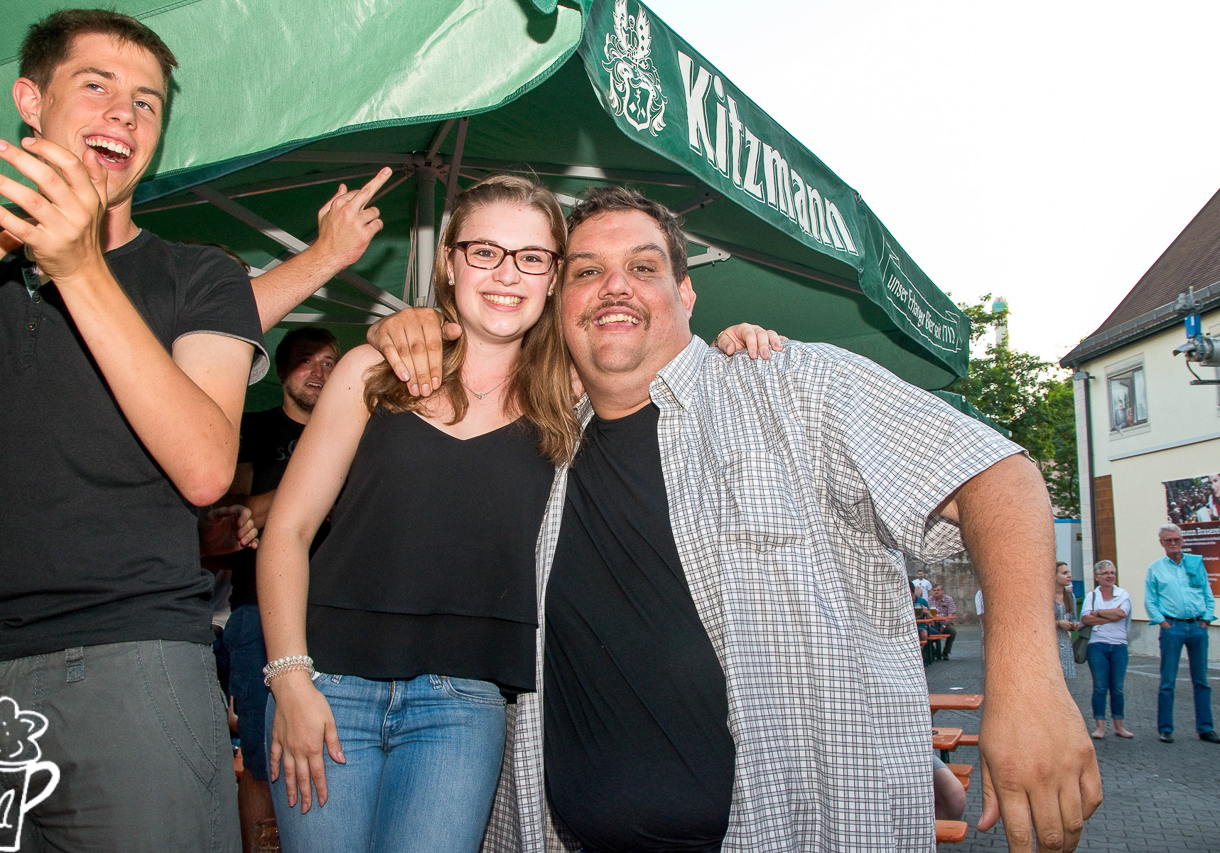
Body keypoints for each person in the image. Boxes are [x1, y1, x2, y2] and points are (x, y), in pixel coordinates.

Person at [370, 186, 1101, 852]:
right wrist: (412, 329)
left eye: (643, 266)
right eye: (586, 271)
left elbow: (995, 475)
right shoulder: (533, 446)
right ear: (559, 304)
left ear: (686, 293)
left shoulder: (795, 385)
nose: (614, 285)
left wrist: (1027, 678)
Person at [256, 176, 778, 853]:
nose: (507, 274)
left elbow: (659, 359)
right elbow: (287, 531)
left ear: (555, 277)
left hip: (461, 705)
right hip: (327, 687)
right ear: (449, 261)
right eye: (485, 252)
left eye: (531, 257)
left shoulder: (568, 394)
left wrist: (736, 342)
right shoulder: (369, 371)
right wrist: (290, 679)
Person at [0, 10, 269, 851]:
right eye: (97, 86)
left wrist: (79, 266)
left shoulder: (200, 274)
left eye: (148, 103)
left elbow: (205, 468)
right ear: (30, 102)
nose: (125, 113)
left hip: (134, 662)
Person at [221, 326, 340, 849]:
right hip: (257, 613)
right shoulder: (251, 429)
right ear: (282, 373)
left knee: (334, 754)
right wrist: (316, 490)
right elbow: (229, 523)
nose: (320, 373)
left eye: (331, 363)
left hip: (337, 611)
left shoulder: (353, 432)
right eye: (306, 362)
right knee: (262, 758)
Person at [1145, 523, 1217, 744]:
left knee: (1201, 681)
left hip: (1197, 627)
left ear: (1182, 540)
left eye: (1177, 539)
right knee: (1168, 680)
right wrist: (1164, 623)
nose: (1174, 543)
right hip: (1173, 628)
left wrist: (1206, 620)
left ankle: (1205, 728)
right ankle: (1165, 728)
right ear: (1162, 543)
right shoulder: (1155, 569)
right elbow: (1150, 600)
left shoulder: (1195, 563)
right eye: (1169, 541)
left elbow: (1207, 593)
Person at [1080, 560, 1133, 739]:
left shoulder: (1123, 594)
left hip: (1119, 646)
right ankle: (1100, 727)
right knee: (1100, 687)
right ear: (1097, 577)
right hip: (1097, 646)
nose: (1110, 576)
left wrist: (1099, 613)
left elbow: (1122, 614)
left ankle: (1119, 726)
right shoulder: (1091, 596)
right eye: (1106, 573)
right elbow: (1086, 620)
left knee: (1117, 688)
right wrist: (1110, 615)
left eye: (1112, 573)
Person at [1055, 562, 1079, 679]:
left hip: (1065, 642)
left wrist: (1075, 624)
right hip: (1051, 645)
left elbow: (1074, 617)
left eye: (1069, 572)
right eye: (1064, 573)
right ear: (1054, 576)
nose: (1069, 575)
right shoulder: (1046, 597)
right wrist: (1059, 623)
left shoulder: (1070, 596)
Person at [930, 582, 958, 660]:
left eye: (938, 590)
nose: (936, 592)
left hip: (945, 623)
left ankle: (946, 652)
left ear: (942, 591)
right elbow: (928, 614)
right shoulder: (930, 600)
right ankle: (934, 652)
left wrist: (944, 626)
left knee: (952, 631)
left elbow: (950, 615)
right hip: (933, 623)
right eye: (934, 590)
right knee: (926, 634)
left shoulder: (948, 599)